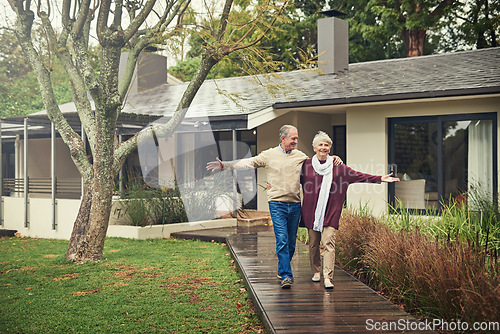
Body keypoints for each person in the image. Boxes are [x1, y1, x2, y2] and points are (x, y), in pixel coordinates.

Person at [207, 125, 341, 289]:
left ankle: (281, 268)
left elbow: (318, 163)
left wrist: (333, 158)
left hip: (295, 204)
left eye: (296, 138)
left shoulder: (300, 156)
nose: (296, 141)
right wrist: (225, 165)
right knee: (282, 240)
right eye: (293, 138)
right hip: (277, 204)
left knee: (291, 242)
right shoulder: (269, 155)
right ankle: (286, 275)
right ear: (283, 138)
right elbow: (249, 163)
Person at [300, 131, 399, 289]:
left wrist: (380, 178)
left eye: (326, 145)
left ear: (330, 147)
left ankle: (328, 276)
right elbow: (292, 179)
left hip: (331, 212)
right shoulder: (306, 165)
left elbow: (358, 175)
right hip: (311, 213)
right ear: (314, 147)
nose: (323, 147)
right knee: (313, 244)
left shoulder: (339, 167)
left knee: (328, 243)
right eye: (321, 144)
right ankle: (316, 271)